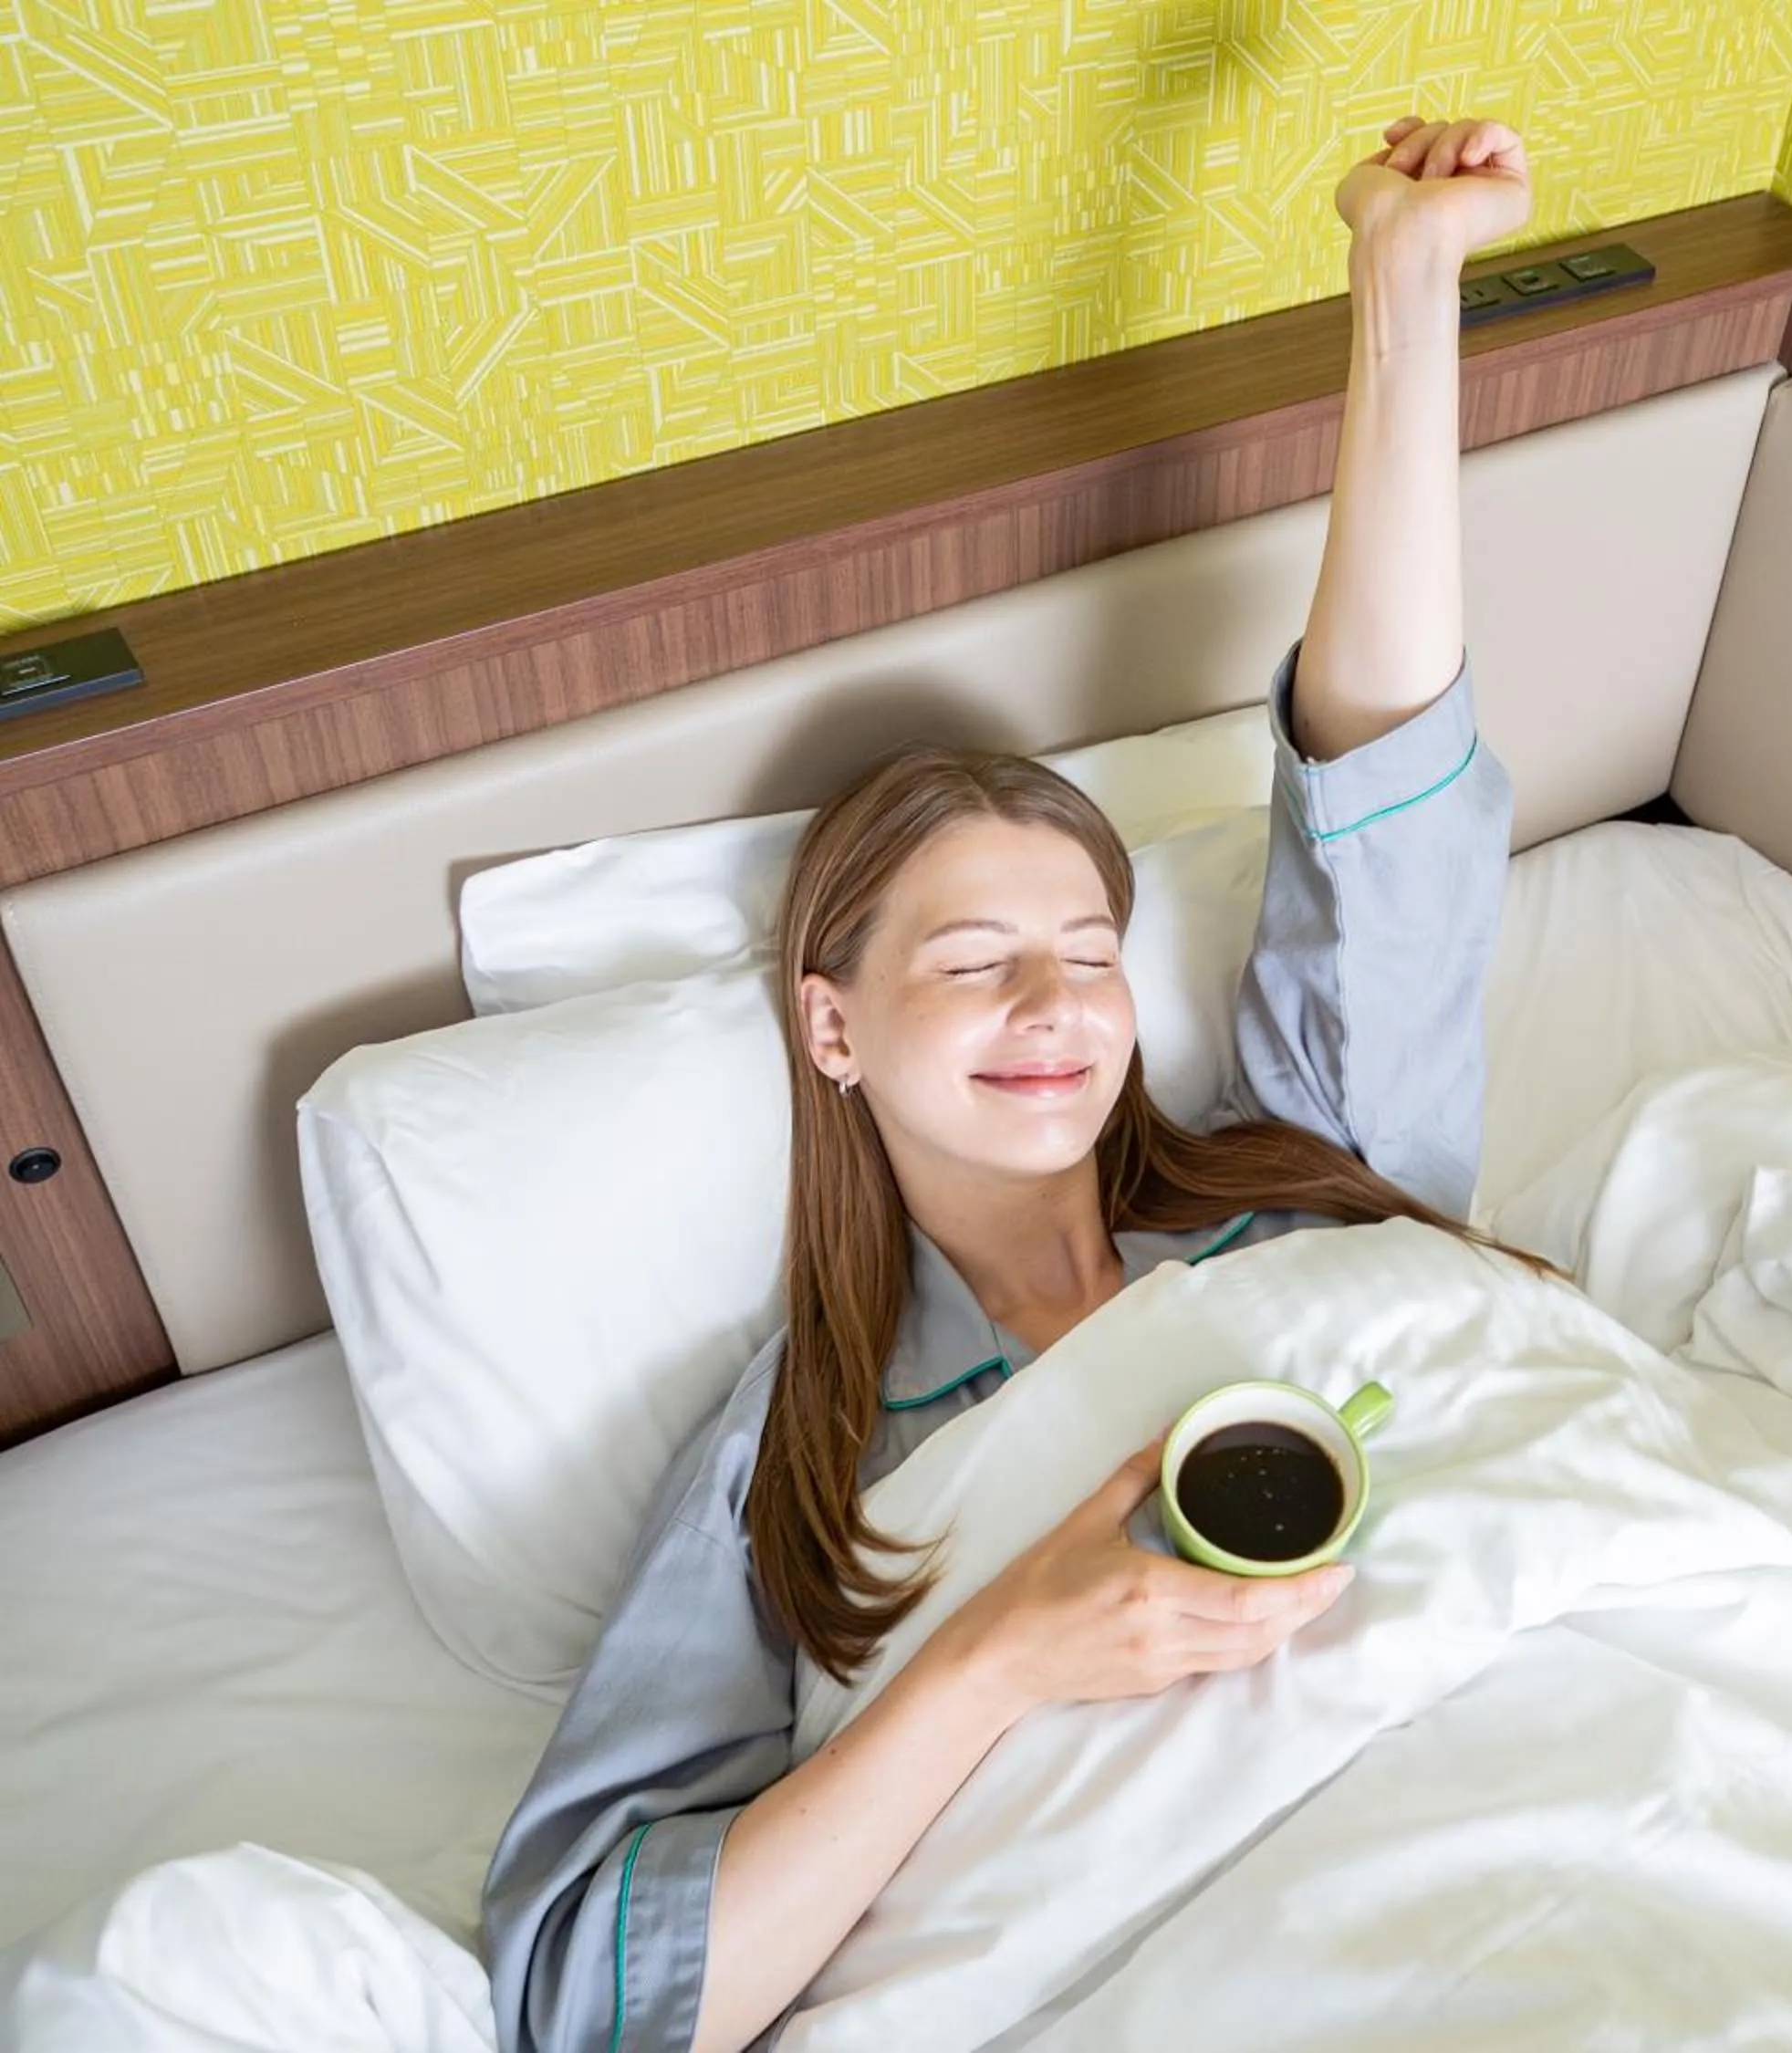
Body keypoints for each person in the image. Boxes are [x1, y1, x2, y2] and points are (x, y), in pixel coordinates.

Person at [482, 114, 1535, 2053]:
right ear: (831, 1030)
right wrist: (995, 1659)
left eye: (1088, 956)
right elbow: (596, 2001)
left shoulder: (1302, 1177)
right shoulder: (789, 1459)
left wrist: (1405, 286)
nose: (1054, 1001)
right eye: (971, 964)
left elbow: (1383, 791)